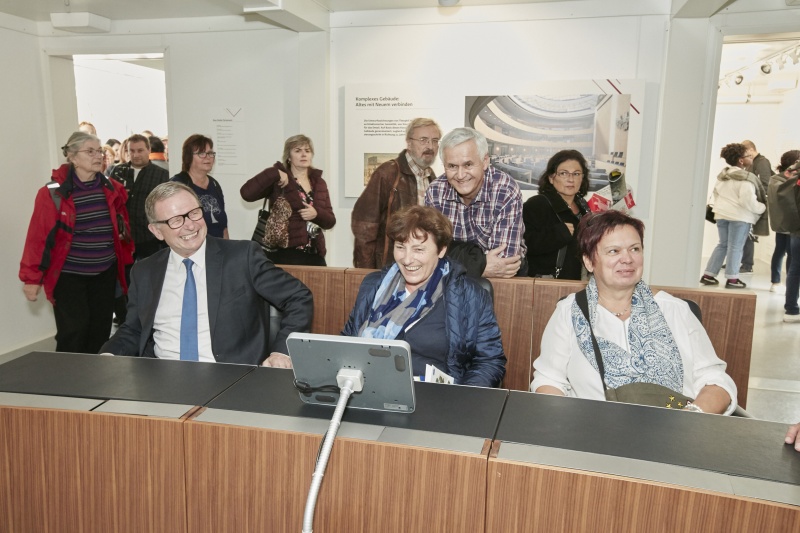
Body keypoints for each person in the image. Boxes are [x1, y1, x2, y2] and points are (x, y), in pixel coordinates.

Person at [531, 210, 737, 414]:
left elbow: (716, 380)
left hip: (676, 435)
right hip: (593, 435)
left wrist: (693, 418)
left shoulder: (675, 310)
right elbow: (549, 379)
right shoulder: (569, 312)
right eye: (614, 251)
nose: (627, 259)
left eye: (635, 249)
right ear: (589, 261)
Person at [100, 182, 313, 366]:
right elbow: (134, 329)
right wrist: (108, 355)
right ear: (156, 231)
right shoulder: (145, 271)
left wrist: (281, 351)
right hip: (162, 377)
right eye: (176, 220)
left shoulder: (241, 257)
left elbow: (298, 297)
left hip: (232, 379)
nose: (190, 225)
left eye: (194, 213)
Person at [343, 205, 506, 387]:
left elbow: (489, 361)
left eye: (419, 249)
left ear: (441, 250)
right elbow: (346, 343)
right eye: (400, 247)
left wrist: (461, 397)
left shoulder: (470, 296)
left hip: (438, 400)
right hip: (371, 390)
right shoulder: (373, 286)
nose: (407, 259)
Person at [19, 131, 134, 354]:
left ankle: (93, 383)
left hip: (105, 273)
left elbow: (123, 231)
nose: (98, 156)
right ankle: (68, 381)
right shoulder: (53, 194)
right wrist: (31, 278)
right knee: (74, 331)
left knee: (100, 332)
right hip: (69, 275)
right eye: (90, 151)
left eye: (99, 151)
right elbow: (38, 238)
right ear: (72, 157)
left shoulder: (112, 189)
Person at [425, 127, 526, 278]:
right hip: (450, 284)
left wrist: (452, 256)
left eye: (468, 165)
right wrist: (478, 268)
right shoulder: (435, 192)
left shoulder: (505, 190)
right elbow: (427, 253)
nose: (460, 175)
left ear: (485, 161)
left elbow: (503, 262)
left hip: (504, 284)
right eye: (452, 166)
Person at [352, 118, 442, 268]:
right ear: (409, 143)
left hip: (420, 265)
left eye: (434, 141)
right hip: (389, 266)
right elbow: (365, 227)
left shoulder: (432, 178)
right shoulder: (388, 173)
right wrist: (366, 272)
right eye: (423, 140)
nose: (430, 146)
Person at [240, 134, 336, 266]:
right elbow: (247, 193)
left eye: (307, 151)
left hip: (315, 254)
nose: (304, 154)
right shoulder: (278, 179)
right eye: (298, 151)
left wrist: (316, 214)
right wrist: (275, 173)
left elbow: (330, 221)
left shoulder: (319, 182)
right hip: (284, 254)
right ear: (289, 157)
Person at [700, 143, 766, 289]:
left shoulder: (723, 175)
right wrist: (762, 208)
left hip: (721, 215)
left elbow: (716, 194)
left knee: (723, 244)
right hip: (739, 217)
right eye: (749, 156)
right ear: (741, 161)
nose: (751, 158)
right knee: (736, 247)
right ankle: (732, 279)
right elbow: (747, 201)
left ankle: (708, 275)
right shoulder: (745, 178)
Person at [522, 150, 591, 279]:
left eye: (576, 174)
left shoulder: (584, 207)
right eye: (564, 173)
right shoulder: (537, 204)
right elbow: (523, 245)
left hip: (578, 284)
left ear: (582, 178)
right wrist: (557, 234)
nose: (570, 179)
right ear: (551, 178)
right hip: (546, 285)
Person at [171, 134, 228, 239]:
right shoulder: (177, 185)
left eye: (210, 153)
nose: (208, 157)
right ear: (188, 157)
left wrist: (228, 251)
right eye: (202, 153)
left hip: (218, 249)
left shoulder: (215, 184)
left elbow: (223, 227)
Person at [767, 150, 800, 294]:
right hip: (788, 223)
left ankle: (777, 282)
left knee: (781, 251)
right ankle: (783, 284)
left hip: (780, 223)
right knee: (789, 254)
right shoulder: (783, 181)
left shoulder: (774, 179)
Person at [739, 140, 773, 273]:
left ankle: (747, 264)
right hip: (751, 201)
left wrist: (755, 199)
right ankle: (740, 261)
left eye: (746, 153)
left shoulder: (762, 162)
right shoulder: (752, 163)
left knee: (749, 233)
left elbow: (765, 183)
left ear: (751, 149)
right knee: (744, 232)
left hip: (756, 202)